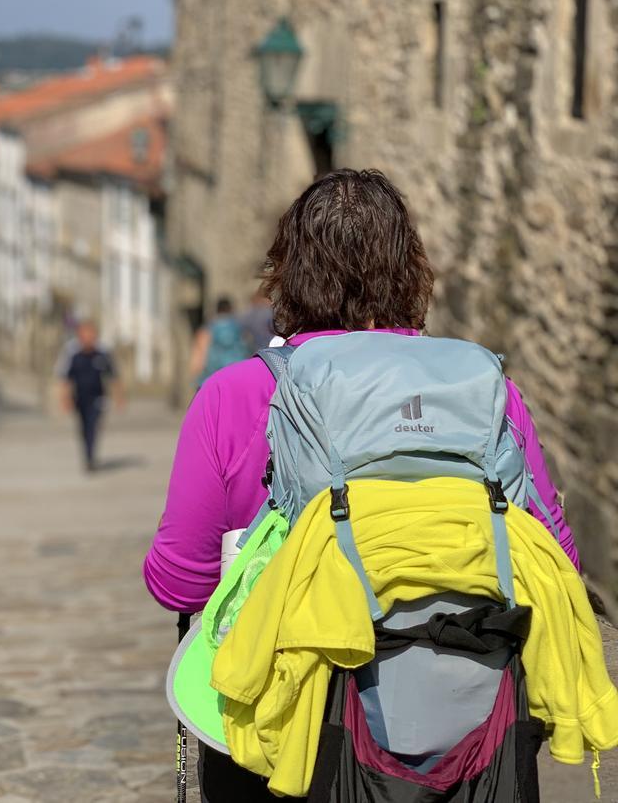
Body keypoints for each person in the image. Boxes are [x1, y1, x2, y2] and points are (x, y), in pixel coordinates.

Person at [143, 169, 578, 802]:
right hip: (471, 729)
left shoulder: (233, 395)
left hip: (284, 741)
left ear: (287, 271)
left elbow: (178, 584)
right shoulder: (486, 391)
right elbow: (557, 561)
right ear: (411, 271)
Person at [56, 320, 124, 471]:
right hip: (80, 398)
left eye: (91, 334)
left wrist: (119, 398)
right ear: (80, 336)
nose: (88, 338)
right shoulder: (73, 354)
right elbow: (65, 379)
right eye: (85, 334)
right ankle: (87, 455)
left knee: (94, 426)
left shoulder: (103, 353)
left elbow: (114, 377)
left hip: (98, 397)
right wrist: (65, 399)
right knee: (84, 427)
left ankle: (91, 458)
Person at [188, 296, 252, 387]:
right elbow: (247, 350)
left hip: (212, 378)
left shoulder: (208, 328)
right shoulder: (239, 327)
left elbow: (199, 355)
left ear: (217, 310)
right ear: (231, 309)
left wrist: (195, 375)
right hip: (236, 378)